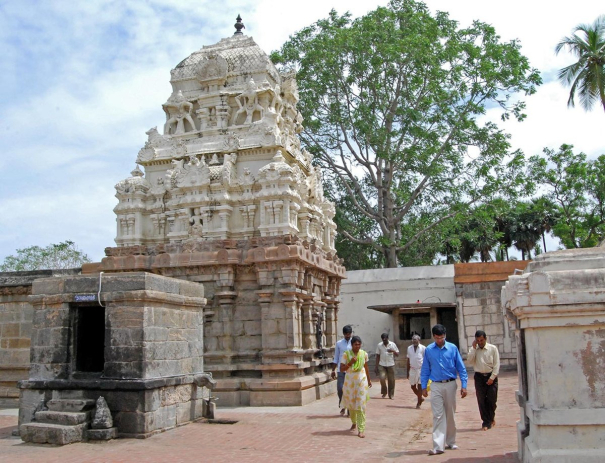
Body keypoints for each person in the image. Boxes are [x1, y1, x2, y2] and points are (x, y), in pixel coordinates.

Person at [421, 324, 468, 455]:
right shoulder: (429, 350)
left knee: (450, 414)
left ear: (445, 335)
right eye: (437, 338)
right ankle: (438, 446)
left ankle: (451, 441)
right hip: (435, 385)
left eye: (441, 337)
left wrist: (464, 385)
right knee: (438, 415)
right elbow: (425, 369)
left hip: (450, 384)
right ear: (433, 337)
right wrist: (423, 386)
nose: (439, 340)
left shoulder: (452, 348)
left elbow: (461, 367)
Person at [467, 330, 500, 431]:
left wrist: (492, 377)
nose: (480, 342)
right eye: (478, 340)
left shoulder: (493, 349)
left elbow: (497, 364)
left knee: (492, 400)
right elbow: (469, 361)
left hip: (491, 376)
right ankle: (486, 422)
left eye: (482, 340)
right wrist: (473, 348)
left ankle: (491, 417)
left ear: (485, 339)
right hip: (479, 377)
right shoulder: (474, 349)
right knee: (481, 400)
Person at [340, 335, 372, 438]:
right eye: (355, 344)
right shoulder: (346, 354)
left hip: (361, 380)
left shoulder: (364, 354)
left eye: (359, 344)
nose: (357, 346)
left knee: (361, 405)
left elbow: (366, 367)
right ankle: (354, 422)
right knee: (352, 405)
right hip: (350, 382)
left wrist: (369, 379)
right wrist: (350, 363)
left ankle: (361, 429)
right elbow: (341, 369)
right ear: (352, 345)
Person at [331, 325, 353, 416]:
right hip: (341, 369)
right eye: (346, 334)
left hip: (351, 370)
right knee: (340, 389)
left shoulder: (354, 342)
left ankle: (349, 408)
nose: (348, 335)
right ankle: (342, 404)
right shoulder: (339, 343)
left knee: (349, 390)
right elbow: (336, 357)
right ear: (343, 334)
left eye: (349, 334)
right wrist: (333, 370)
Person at [375, 333, 399, 399]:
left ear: (388, 338)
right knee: (382, 378)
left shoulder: (392, 344)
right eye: (383, 340)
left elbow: (397, 354)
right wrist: (376, 366)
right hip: (382, 364)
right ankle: (384, 391)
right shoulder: (379, 345)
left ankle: (391, 394)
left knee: (391, 380)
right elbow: (377, 356)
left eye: (385, 339)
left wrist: (393, 351)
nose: (384, 341)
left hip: (391, 364)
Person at [406, 334, 426, 408]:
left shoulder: (423, 348)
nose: (414, 341)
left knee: (420, 386)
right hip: (412, 369)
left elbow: (426, 359)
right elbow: (408, 359)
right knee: (413, 386)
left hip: (421, 369)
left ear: (419, 340)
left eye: (416, 340)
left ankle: (418, 403)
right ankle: (420, 398)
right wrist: (407, 372)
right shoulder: (409, 348)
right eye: (413, 340)